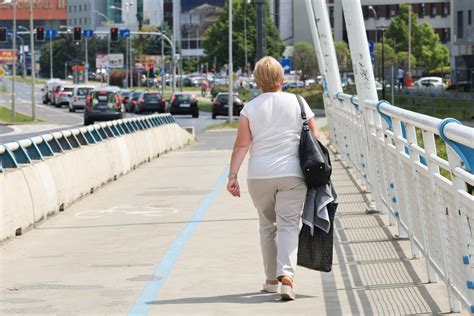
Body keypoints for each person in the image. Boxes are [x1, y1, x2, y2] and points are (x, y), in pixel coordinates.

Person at [226, 56, 320, 301]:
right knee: (289, 225)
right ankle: (286, 276)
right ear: (282, 78)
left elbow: (241, 146)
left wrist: (232, 175)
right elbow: (316, 139)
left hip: (260, 176)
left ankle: (270, 280)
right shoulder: (299, 102)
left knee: (267, 226)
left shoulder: (250, 108)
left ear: (257, 81)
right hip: (293, 174)